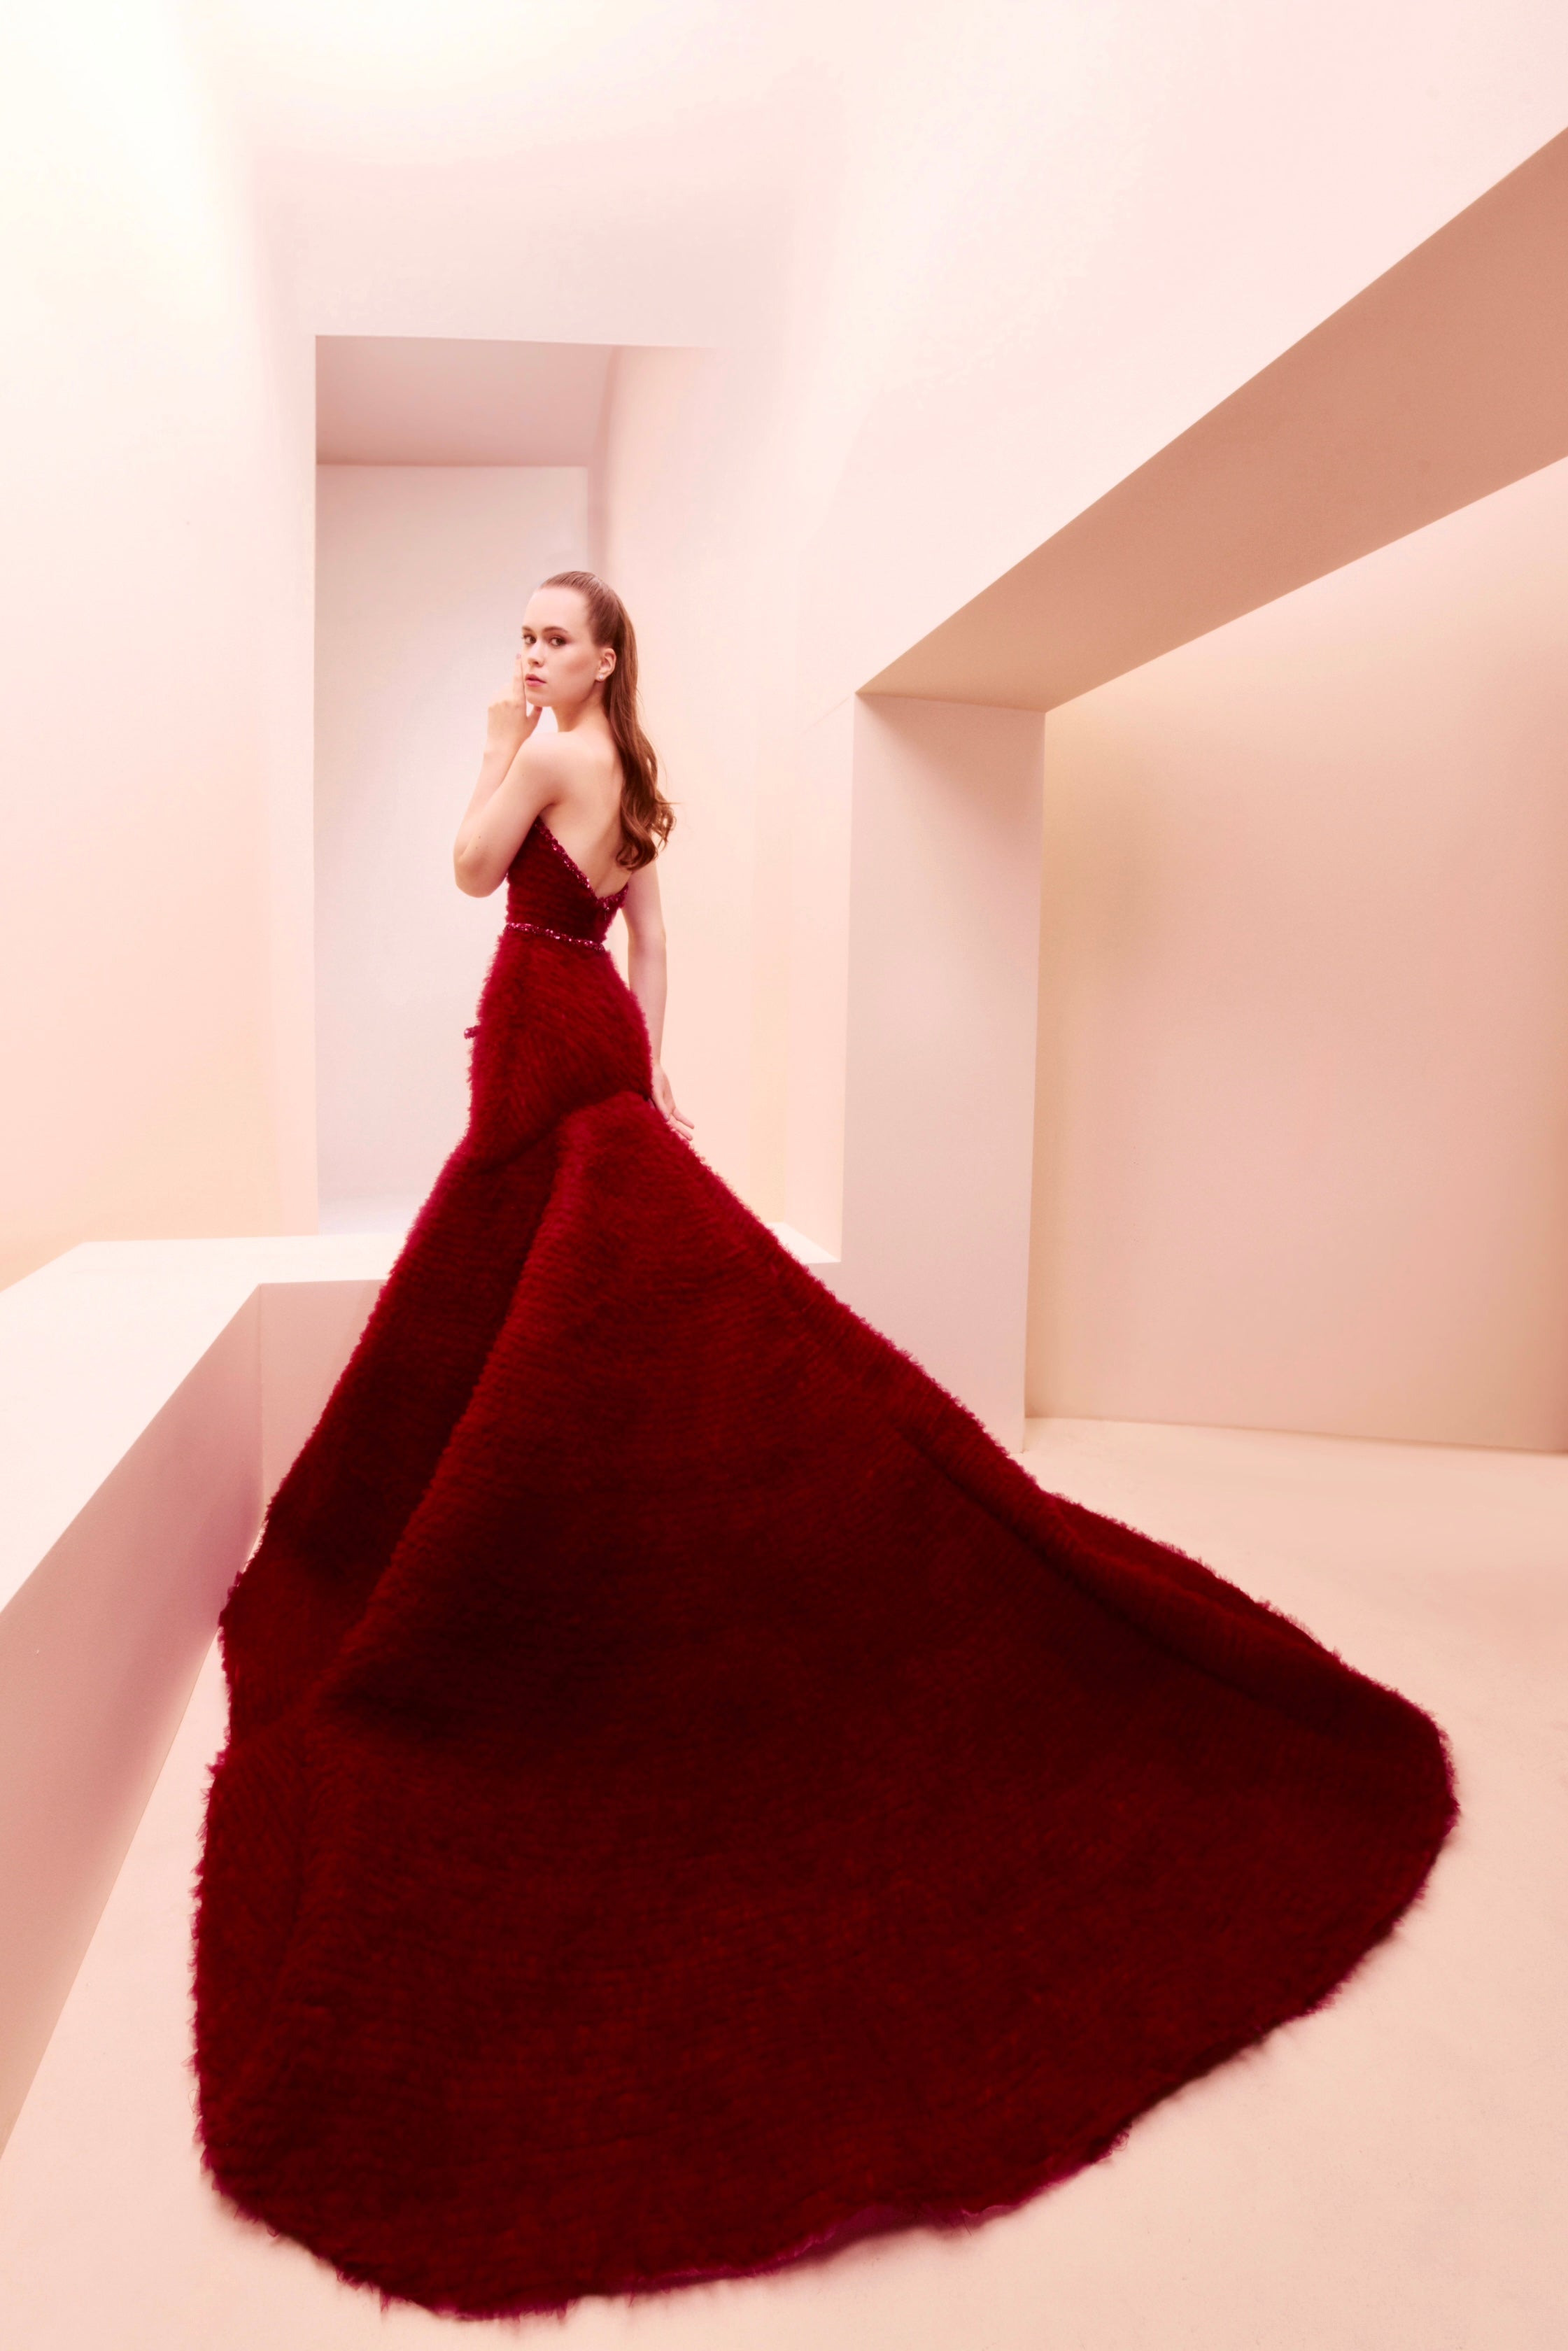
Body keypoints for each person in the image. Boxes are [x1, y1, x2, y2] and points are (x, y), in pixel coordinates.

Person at [192, 570, 1456, 2323]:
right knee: (539, 1256)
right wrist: (655, 1079)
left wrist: (493, 743)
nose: (529, 655)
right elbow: (652, 942)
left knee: (514, 1250)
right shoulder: (632, 770)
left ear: (603, 656)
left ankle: (508, 1510)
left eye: (553, 637)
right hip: (591, 1017)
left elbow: (473, 875)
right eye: (522, 638)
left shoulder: (549, 752)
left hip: (540, 1007)